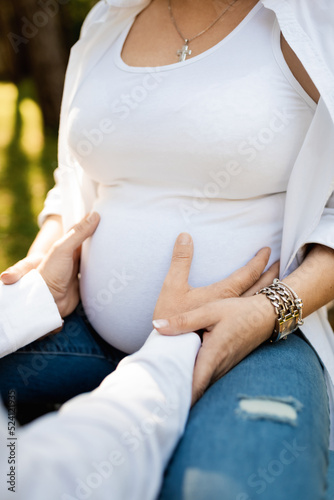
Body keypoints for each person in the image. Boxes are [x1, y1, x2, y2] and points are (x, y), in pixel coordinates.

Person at [1, 0, 334, 498]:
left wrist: (271, 310)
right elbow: (75, 175)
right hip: (87, 332)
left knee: (226, 488)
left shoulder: (308, 19)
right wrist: (50, 247)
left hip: (258, 340)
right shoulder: (106, 21)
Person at [0, 214, 277, 500]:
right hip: (171, 342)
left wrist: (36, 299)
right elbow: (62, 478)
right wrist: (177, 336)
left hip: (68, 311)